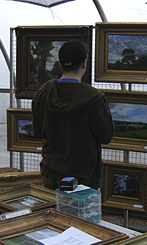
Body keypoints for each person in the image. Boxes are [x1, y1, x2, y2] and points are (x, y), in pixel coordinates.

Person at [32, 40, 115, 190]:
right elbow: (106, 136)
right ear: (84, 64)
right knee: (77, 214)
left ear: (59, 64)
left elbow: (38, 132)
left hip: (51, 174)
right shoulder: (94, 98)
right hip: (84, 179)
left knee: (52, 214)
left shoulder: (44, 93)